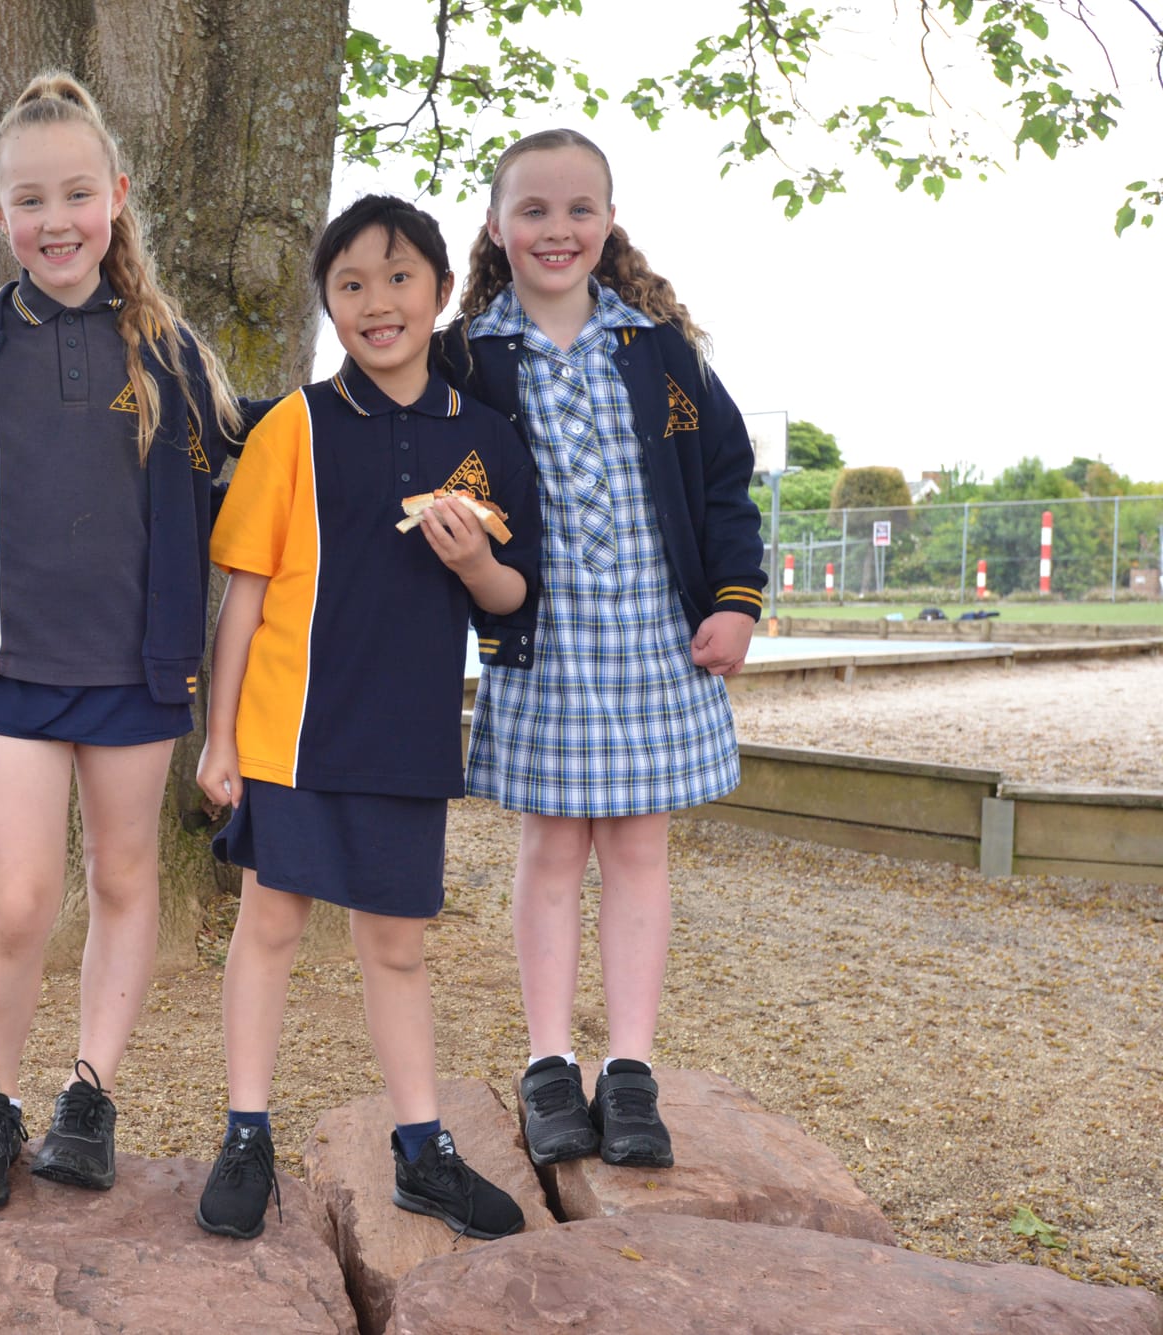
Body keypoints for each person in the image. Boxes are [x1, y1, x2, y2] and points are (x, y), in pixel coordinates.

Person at [0, 71, 239, 1210]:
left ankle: (90, 1093)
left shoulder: (172, 355)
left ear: (116, 197)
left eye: (76, 195)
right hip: (10, 671)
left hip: (135, 674)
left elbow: (261, 484)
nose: (55, 221)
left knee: (126, 880)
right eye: (29, 201)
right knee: (22, 898)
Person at [191, 195, 539, 1242]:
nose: (376, 302)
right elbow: (241, 596)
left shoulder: (484, 437)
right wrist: (219, 741)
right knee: (270, 926)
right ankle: (244, 1132)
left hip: (406, 738)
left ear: (439, 294)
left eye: (398, 279)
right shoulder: (290, 426)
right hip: (289, 732)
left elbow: (510, 598)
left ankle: (421, 1148)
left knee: (395, 948)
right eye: (349, 285)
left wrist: (474, 559)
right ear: (328, 309)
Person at [441, 128, 765, 1170]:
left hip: (653, 641)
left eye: (579, 209)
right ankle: (548, 1067)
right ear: (495, 227)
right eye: (531, 210)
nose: (556, 229)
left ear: (609, 222)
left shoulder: (658, 349)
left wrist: (734, 601)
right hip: (543, 642)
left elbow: (722, 481)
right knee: (547, 854)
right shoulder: (467, 359)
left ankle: (628, 1074)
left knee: (635, 851)